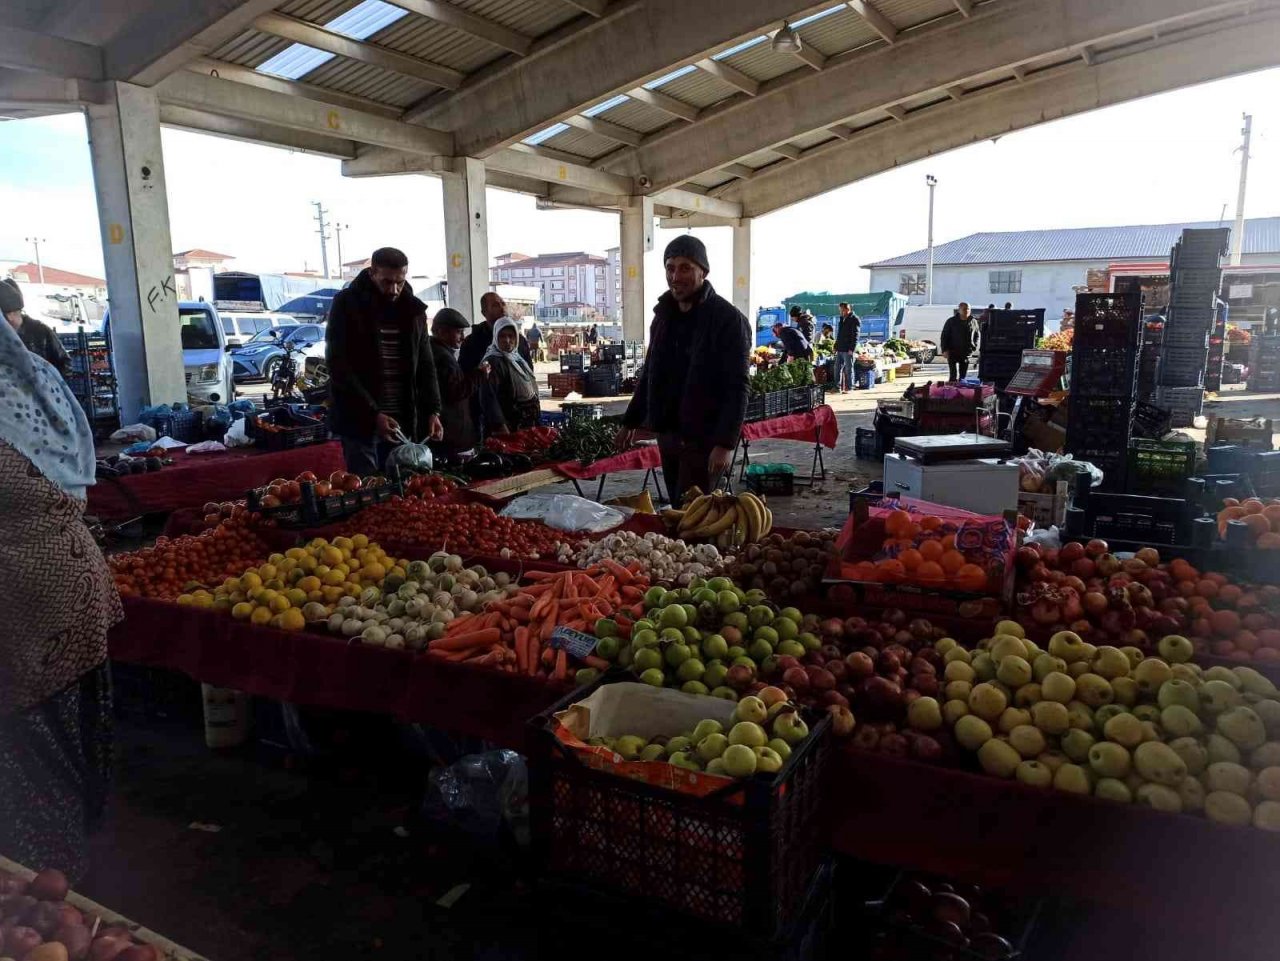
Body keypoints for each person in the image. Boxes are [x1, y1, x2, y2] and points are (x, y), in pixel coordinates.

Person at [0, 318, 120, 880]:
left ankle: (54, 878)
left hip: (24, 604)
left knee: (32, 758)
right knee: (76, 736)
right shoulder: (34, 377)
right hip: (75, 587)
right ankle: (79, 858)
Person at [617, 236, 750, 501]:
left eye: (685, 267)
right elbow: (650, 372)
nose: (676, 276)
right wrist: (630, 420)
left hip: (704, 438)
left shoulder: (728, 320)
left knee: (694, 515)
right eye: (670, 267)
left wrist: (725, 444)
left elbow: (738, 386)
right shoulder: (663, 318)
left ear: (703, 271)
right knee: (679, 509)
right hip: (669, 434)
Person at [325, 247, 443, 475]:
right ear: (372, 273)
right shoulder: (347, 305)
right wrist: (373, 414)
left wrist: (433, 410)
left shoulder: (413, 309)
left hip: (403, 419)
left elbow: (426, 365)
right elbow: (338, 366)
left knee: (405, 488)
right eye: (387, 282)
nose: (394, 289)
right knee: (369, 489)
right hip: (359, 420)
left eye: (400, 282)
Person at [428, 307, 499, 456]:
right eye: (459, 332)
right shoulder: (442, 357)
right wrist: (480, 373)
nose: (462, 337)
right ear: (441, 332)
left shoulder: (438, 352)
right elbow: (457, 391)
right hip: (451, 436)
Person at [0, 278, 70, 375]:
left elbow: (65, 364)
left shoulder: (40, 331)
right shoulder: (3, 336)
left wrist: (46, 381)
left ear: (10, 314)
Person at [485, 318, 542, 432]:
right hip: (510, 423)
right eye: (502, 336)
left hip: (526, 420)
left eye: (511, 336)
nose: (507, 340)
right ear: (495, 337)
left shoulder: (516, 358)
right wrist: (500, 425)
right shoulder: (493, 362)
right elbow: (488, 397)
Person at [459, 292, 532, 372]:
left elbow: (529, 372)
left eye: (503, 304)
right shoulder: (472, 342)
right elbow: (464, 375)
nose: (502, 308)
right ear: (484, 312)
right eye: (495, 305)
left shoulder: (519, 340)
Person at [940, 301, 979, 381]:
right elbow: (944, 336)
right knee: (953, 376)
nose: (967, 311)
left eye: (968, 309)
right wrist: (944, 349)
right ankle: (951, 391)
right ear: (959, 310)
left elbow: (976, 335)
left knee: (963, 377)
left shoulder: (973, 321)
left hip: (966, 352)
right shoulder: (951, 321)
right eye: (964, 309)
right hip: (952, 351)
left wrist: (974, 346)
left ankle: (961, 391)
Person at [834, 301, 861, 393]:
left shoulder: (854, 319)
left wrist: (852, 349)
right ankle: (837, 387)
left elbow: (856, 335)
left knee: (849, 369)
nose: (841, 312)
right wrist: (836, 346)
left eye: (842, 310)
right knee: (837, 368)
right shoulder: (842, 319)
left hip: (848, 349)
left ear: (847, 309)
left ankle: (850, 387)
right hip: (840, 348)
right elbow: (839, 334)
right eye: (840, 310)